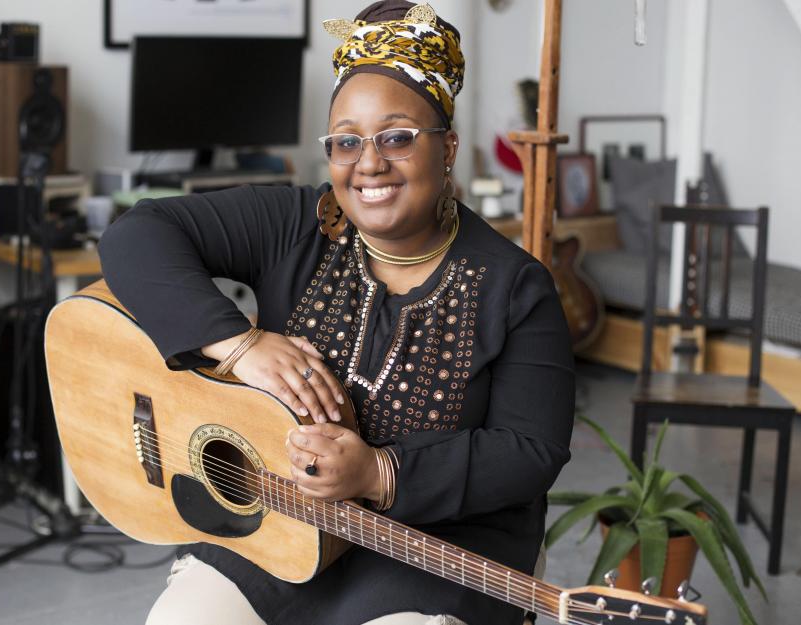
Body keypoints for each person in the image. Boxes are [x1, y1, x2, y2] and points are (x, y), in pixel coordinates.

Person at [98, 2, 574, 623]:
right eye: (346, 141)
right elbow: (137, 234)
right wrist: (238, 345)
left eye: (397, 137)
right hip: (282, 517)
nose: (368, 163)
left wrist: (379, 472)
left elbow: (532, 450)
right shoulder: (297, 223)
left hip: (435, 547)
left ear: (448, 146)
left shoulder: (516, 286)